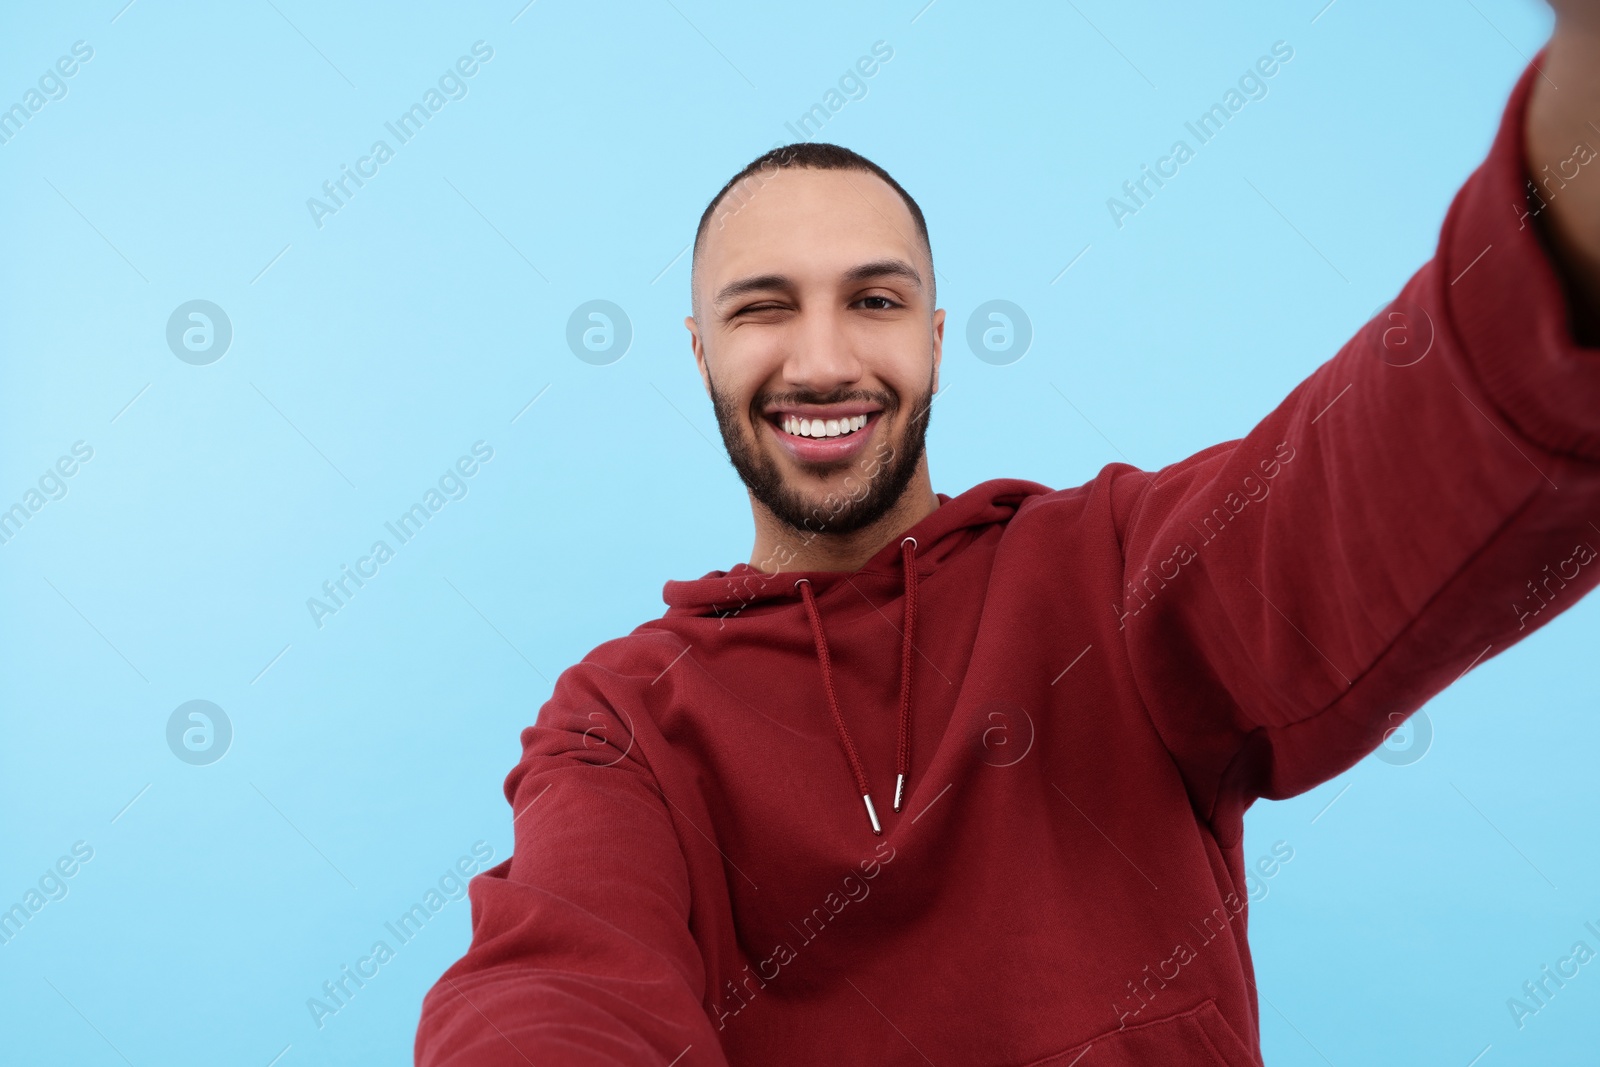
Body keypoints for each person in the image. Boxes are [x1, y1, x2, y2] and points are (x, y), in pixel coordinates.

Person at [415, 18, 1600, 1065]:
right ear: (698, 350)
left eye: (873, 302)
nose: (822, 360)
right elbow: (552, 981)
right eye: (762, 306)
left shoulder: (1107, 576)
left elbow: (1389, 467)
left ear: (934, 338)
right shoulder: (621, 720)